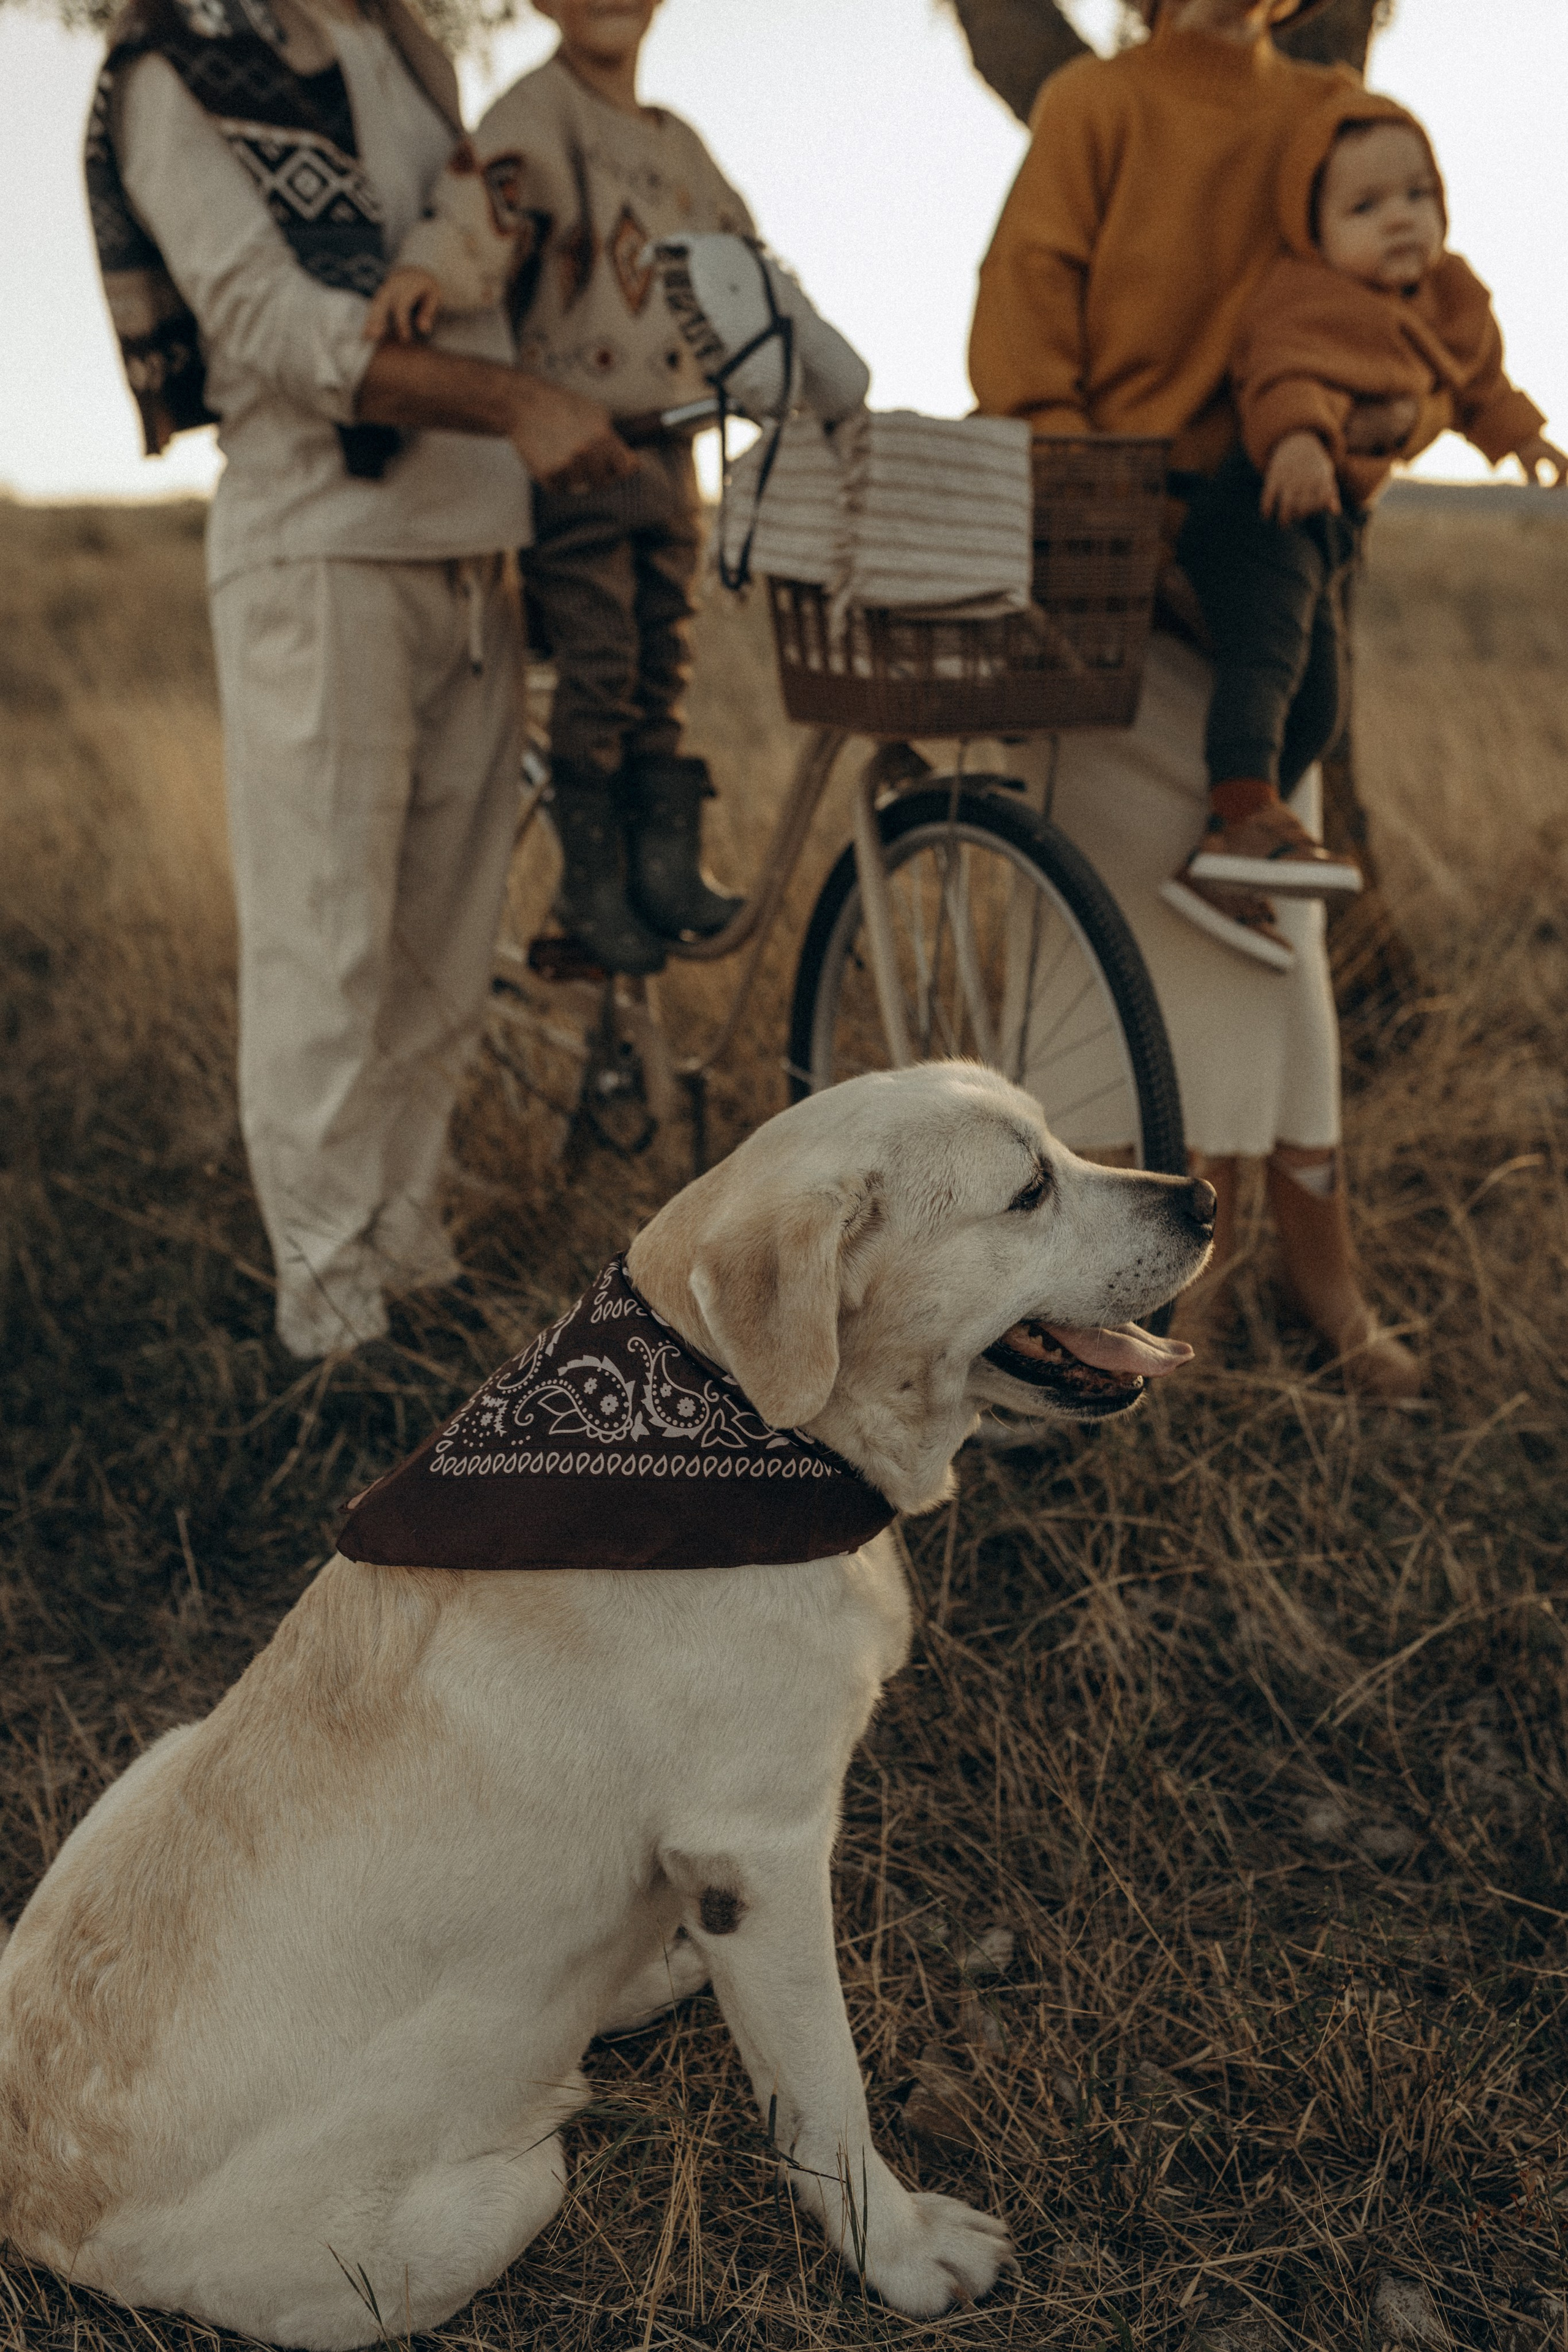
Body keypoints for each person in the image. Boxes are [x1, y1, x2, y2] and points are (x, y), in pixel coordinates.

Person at [87, 0, 635, 1360]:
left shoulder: (410, 52)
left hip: (475, 554)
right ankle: (328, 1315)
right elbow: (275, 328)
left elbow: (481, 263)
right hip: (320, 559)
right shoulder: (171, 72)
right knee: (325, 946)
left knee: (441, 952)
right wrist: (515, 408)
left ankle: (407, 1250)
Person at [967, 0, 1423, 1395]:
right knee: (1136, 987)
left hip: (1257, 594)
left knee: (1269, 967)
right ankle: (1146, 1301)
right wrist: (1100, 526)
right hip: (1111, 575)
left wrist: (1365, 443)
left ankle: (1309, 1279)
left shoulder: (1314, 110)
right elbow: (1023, 338)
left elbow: (1385, 323)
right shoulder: (1095, 107)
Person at [364, 0, 748, 976]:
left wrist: (794, 355)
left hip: (673, 447)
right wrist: (426, 270)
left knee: (667, 644)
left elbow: (747, 270)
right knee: (602, 650)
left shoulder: (683, 151)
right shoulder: (538, 116)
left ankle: (660, 858)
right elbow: (475, 213)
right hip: (581, 446)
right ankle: (590, 881)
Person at [1166, 98, 1565, 959]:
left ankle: (1226, 869)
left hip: (1326, 530)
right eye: (1365, 206)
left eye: (1418, 195)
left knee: (1319, 707)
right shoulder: (1307, 293)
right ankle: (1235, 819)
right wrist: (1303, 439)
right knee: (1265, 660)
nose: (1400, 219)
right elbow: (1281, 371)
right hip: (1260, 508)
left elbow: (1480, 384)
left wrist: (1523, 436)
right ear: (1313, 230)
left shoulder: (1453, 300)